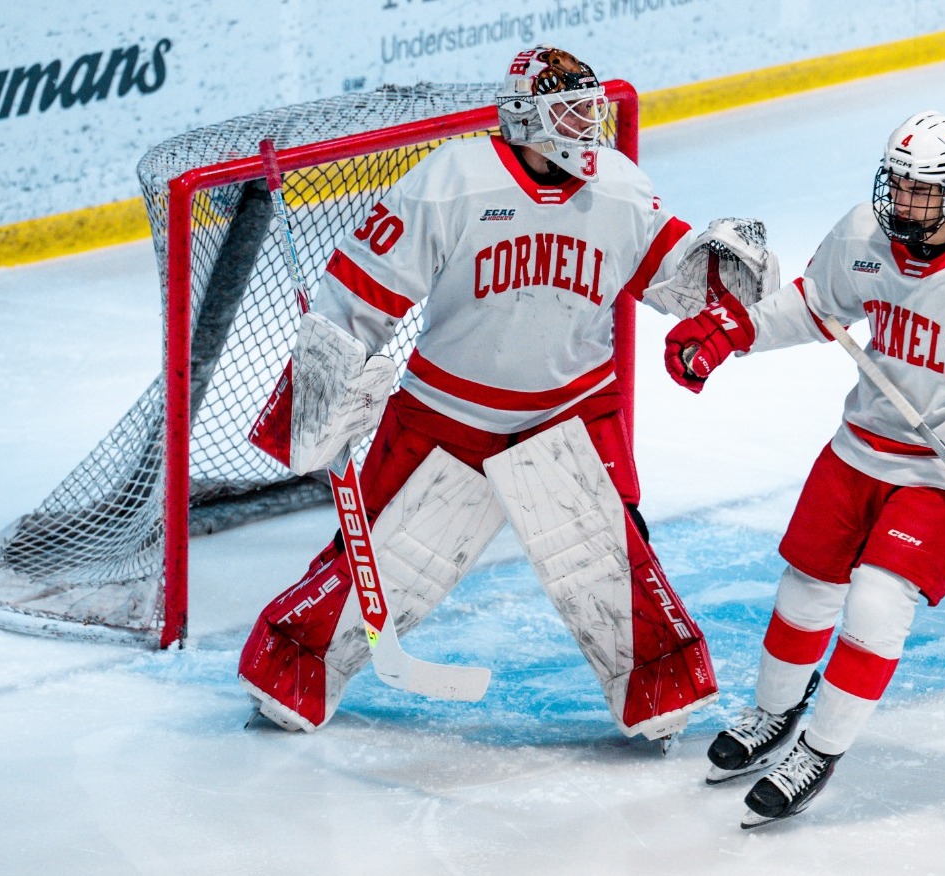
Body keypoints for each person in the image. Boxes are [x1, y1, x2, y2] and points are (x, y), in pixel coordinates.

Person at [237, 45, 776, 744]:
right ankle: (290, 671)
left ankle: (658, 689)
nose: (588, 126)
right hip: (444, 409)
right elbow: (356, 294)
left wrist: (721, 274)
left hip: (574, 408)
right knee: (379, 560)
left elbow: (668, 272)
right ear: (526, 119)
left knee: (610, 556)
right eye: (571, 112)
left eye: (592, 110)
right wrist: (320, 388)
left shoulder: (616, 186)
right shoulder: (452, 182)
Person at [663, 110, 945, 825]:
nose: (904, 201)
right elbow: (813, 307)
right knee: (802, 592)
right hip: (858, 450)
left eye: (922, 189)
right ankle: (773, 715)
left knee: (876, 604)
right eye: (897, 184)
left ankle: (818, 747)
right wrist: (732, 335)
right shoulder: (860, 235)